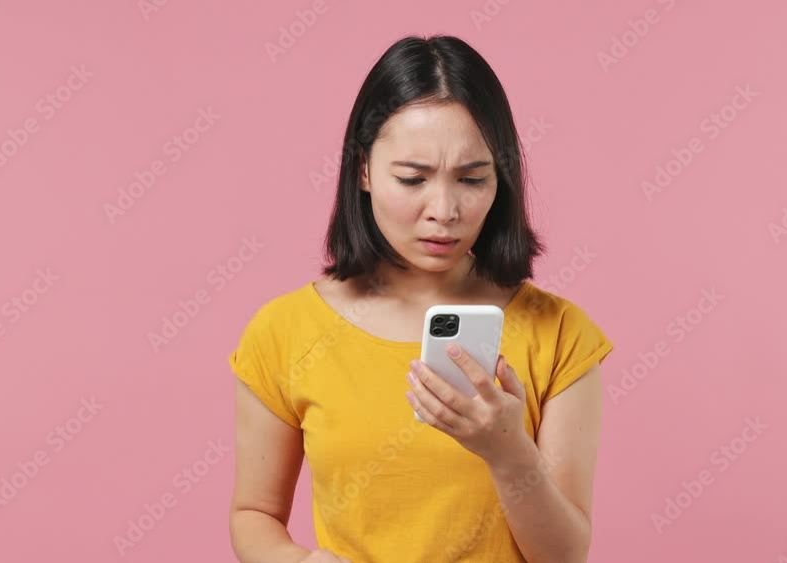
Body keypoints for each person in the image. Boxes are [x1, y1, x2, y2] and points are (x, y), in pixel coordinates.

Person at [228, 34, 613, 563]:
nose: (444, 209)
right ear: (362, 169)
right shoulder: (283, 331)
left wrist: (506, 453)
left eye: (472, 179)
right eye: (413, 179)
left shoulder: (560, 334)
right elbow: (254, 514)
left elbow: (564, 555)